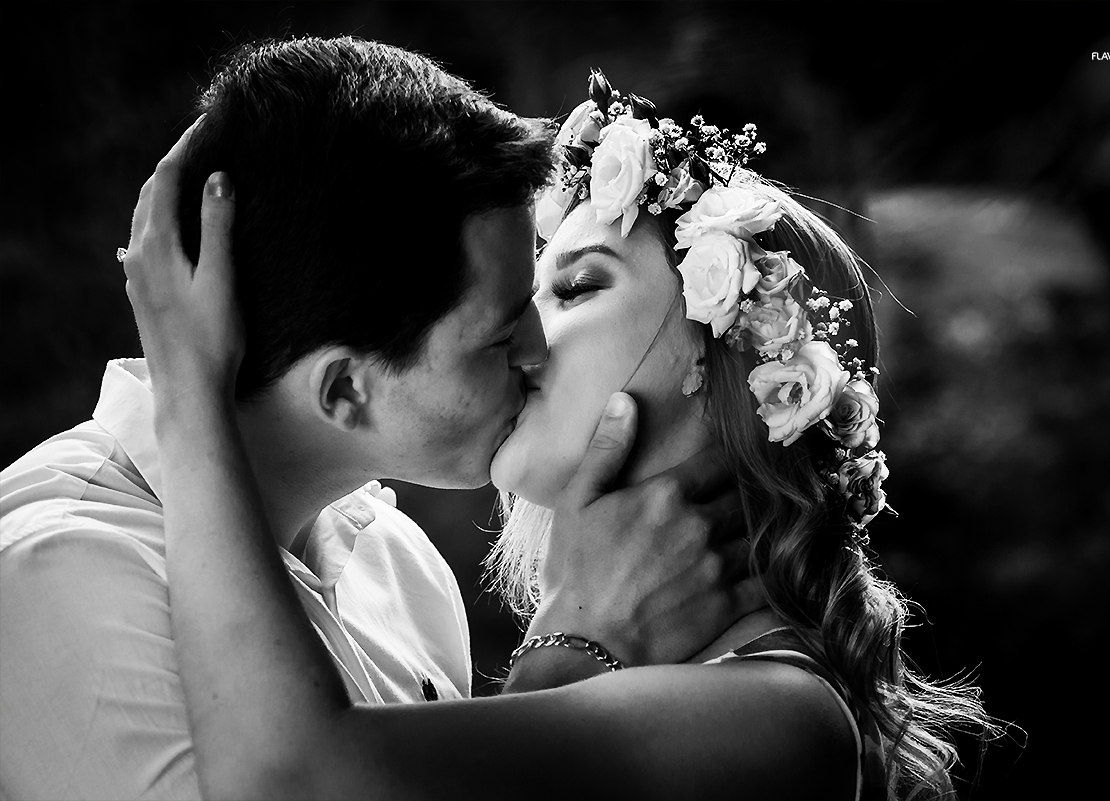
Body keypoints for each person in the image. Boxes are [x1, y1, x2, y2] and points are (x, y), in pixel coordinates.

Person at [127, 67, 997, 799]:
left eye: (576, 288)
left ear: (721, 361)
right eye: (524, 296)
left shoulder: (779, 711)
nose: (524, 341)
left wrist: (190, 387)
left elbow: (289, 783)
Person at [0, 39, 757, 801]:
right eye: (500, 336)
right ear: (344, 391)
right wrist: (572, 655)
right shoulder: (58, 579)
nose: (539, 352)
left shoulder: (399, 562)